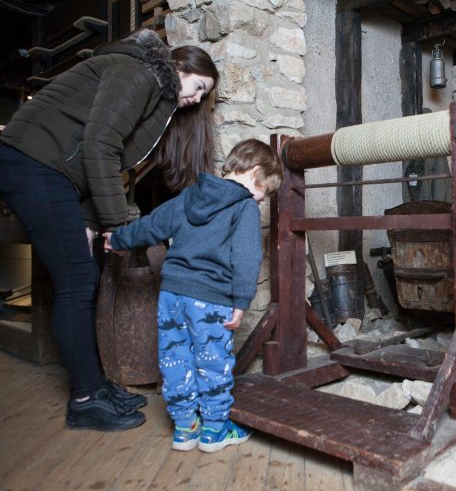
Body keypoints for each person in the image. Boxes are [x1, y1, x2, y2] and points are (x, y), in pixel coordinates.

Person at [0, 28, 219, 432]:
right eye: (199, 86)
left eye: (205, 95)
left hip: (51, 173)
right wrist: (118, 226)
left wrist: (87, 221)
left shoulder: (154, 89)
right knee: (77, 281)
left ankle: (95, 387)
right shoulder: (139, 73)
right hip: (32, 163)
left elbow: (90, 154)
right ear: (180, 67)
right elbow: (101, 145)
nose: (198, 98)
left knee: (81, 279)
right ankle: (85, 399)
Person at [104, 139, 283, 452]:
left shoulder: (190, 195)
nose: (260, 200)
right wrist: (241, 300)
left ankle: (186, 428)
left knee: (175, 358)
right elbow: (246, 256)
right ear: (255, 173)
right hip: (209, 298)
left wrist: (119, 238)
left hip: (171, 294)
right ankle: (214, 429)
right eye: (264, 192)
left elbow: (153, 225)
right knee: (213, 362)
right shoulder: (243, 206)